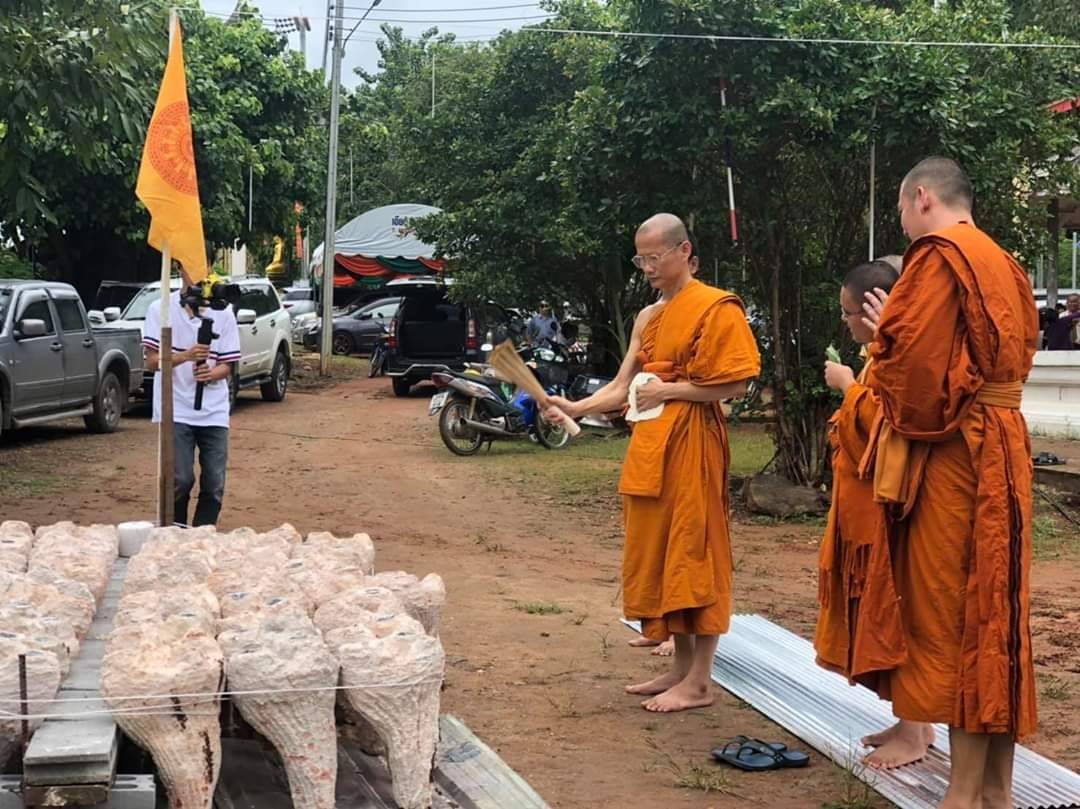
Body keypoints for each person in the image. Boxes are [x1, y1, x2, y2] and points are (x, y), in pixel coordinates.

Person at [862, 157, 1038, 807]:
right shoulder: (1007, 263)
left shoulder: (938, 256)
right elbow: (1015, 361)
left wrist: (884, 345)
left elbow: (917, 382)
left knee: (957, 615)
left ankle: (961, 797)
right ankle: (996, 789)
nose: (904, 226)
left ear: (923, 198)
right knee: (999, 615)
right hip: (1006, 447)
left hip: (959, 459)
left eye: (903, 212)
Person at [547, 213, 760, 713]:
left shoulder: (715, 307)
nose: (646, 267)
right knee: (662, 553)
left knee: (694, 550)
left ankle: (701, 680)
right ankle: (680, 669)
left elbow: (736, 385)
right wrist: (574, 408)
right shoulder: (648, 317)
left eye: (654, 257)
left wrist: (672, 389)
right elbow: (623, 387)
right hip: (651, 445)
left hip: (694, 443)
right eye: (640, 259)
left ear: (683, 251)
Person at [814, 257, 935, 769]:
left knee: (896, 609)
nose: (845, 322)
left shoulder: (898, 355)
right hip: (861, 506)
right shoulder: (879, 353)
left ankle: (917, 728)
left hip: (888, 508)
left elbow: (889, 426)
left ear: (872, 307)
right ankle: (911, 720)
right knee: (877, 606)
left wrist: (847, 387)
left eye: (848, 312)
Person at [143, 274, 241, 527]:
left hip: (214, 409)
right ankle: (176, 531)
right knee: (180, 478)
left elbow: (227, 365)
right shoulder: (160, 309)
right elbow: (152, 362)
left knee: (215, 481)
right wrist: (185, 356)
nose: (198, 272)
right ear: (179, 268)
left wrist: (212, 373)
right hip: (174, 407)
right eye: (191, 264)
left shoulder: (224, 311)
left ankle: (201, 534)